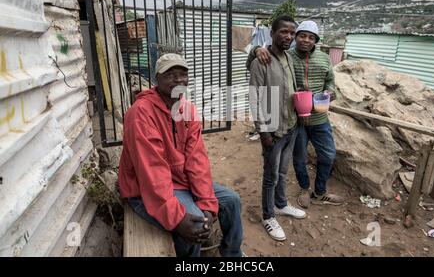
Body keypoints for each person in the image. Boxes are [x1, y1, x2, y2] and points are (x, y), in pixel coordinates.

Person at [118, 53, 244, 257]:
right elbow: (152, 173)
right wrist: (176, 218)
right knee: (193, 223)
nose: (178, 80)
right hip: (143, 190)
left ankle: (232, 255)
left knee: (232, 201)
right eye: (170, 74)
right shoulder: (140, 113)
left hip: (180, 183)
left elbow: (197, 160)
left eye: (183, 74)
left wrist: (207, 204)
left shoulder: (187, 109)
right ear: (156, 78)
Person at [247, 20, 344, 209]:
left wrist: (329, 92)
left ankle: (320, 191)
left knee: (328, 155)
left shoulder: (324, 58)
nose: (305, 40)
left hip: (319, 118)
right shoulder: (287, 55)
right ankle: (304, 189)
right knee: (299, 159)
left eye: (311, 37)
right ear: (296, 38)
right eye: (302, 35)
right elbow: (254, 65)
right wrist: (256, 49)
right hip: (296, 120)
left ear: (316, 40)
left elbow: (331, 81)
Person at [249, 15, 307, 242]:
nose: (289, 37)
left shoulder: (289, 59)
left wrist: (299, 92)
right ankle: (268, 215)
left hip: (290, 125)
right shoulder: (260, 61)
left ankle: (281, 204)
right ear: (272, 33)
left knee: (283, 172)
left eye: (292, 33)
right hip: (272, 131)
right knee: (270, 176)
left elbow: (287, 87)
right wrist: (263, 132)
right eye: (284, 32)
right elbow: (255, 99)